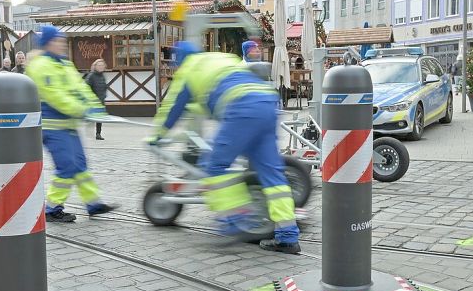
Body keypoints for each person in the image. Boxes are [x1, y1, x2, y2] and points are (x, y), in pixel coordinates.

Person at [150, 41, 301, 254]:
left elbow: (174, 108)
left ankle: (236, 221)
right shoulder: (222, 58)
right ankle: (288, 237)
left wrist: (157, 136)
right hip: (267, 103)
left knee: (214, 165)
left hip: (242, 107)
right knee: (272, 175)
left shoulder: (188, 70)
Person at [26, 26, 118, 222]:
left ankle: (93, 203)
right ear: (48, 43)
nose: (62, 44)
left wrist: (97, 109)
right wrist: (82, 110)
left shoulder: (65, 64)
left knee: (80, 165)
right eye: (58, 40)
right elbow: (55, 96)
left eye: (62, 40)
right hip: (51, 127)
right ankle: (51, 209)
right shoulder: (40, 66)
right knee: (67, 166)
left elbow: (81, 89)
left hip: (69, 125)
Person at [85, 59, 108, 140]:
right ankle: (88, 131)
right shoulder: (91, 76)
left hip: (101, 100)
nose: (101, 67)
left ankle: (98, 134)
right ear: (95, 66)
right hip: (92, 101)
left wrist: (104, 96)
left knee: (99, 118)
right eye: (99, 65)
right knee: (91, 117)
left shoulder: (102, 76)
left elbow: (104, 87)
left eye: (102, 65)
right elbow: (86, 87)